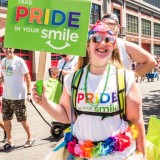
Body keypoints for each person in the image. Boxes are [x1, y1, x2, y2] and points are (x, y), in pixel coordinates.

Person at [32, 21, 146, 160]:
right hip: (81, 156)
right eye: (96, 39)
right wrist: (44, 102)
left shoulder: (125, 78)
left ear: (113, 46)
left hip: (119, 156)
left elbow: (137, 121)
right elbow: (67, 116)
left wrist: (143, 155)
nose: (102, 43)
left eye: (108, 40)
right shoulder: (73, 79)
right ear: (87, 45)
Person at [0, 45, 35, 151]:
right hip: (6, 96)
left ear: (13, 49)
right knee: (6, 119)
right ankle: (10, 141)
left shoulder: (19, 61)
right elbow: (3, 76)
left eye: (10, 48)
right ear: (3, 49)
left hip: (18, 96)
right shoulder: (3, 61)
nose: (8, 50)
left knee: (22, 119)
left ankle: (30, 138)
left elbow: (27, 76)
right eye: (6, 48)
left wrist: (29, 93)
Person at [101, 12, 157, 76]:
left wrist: (130, 78)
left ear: (118, 27)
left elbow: (151, 62)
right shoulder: (96, 44)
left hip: (120, 85)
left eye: (111, 24)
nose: (107, 27)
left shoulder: (124, 46)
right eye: (104, 24)